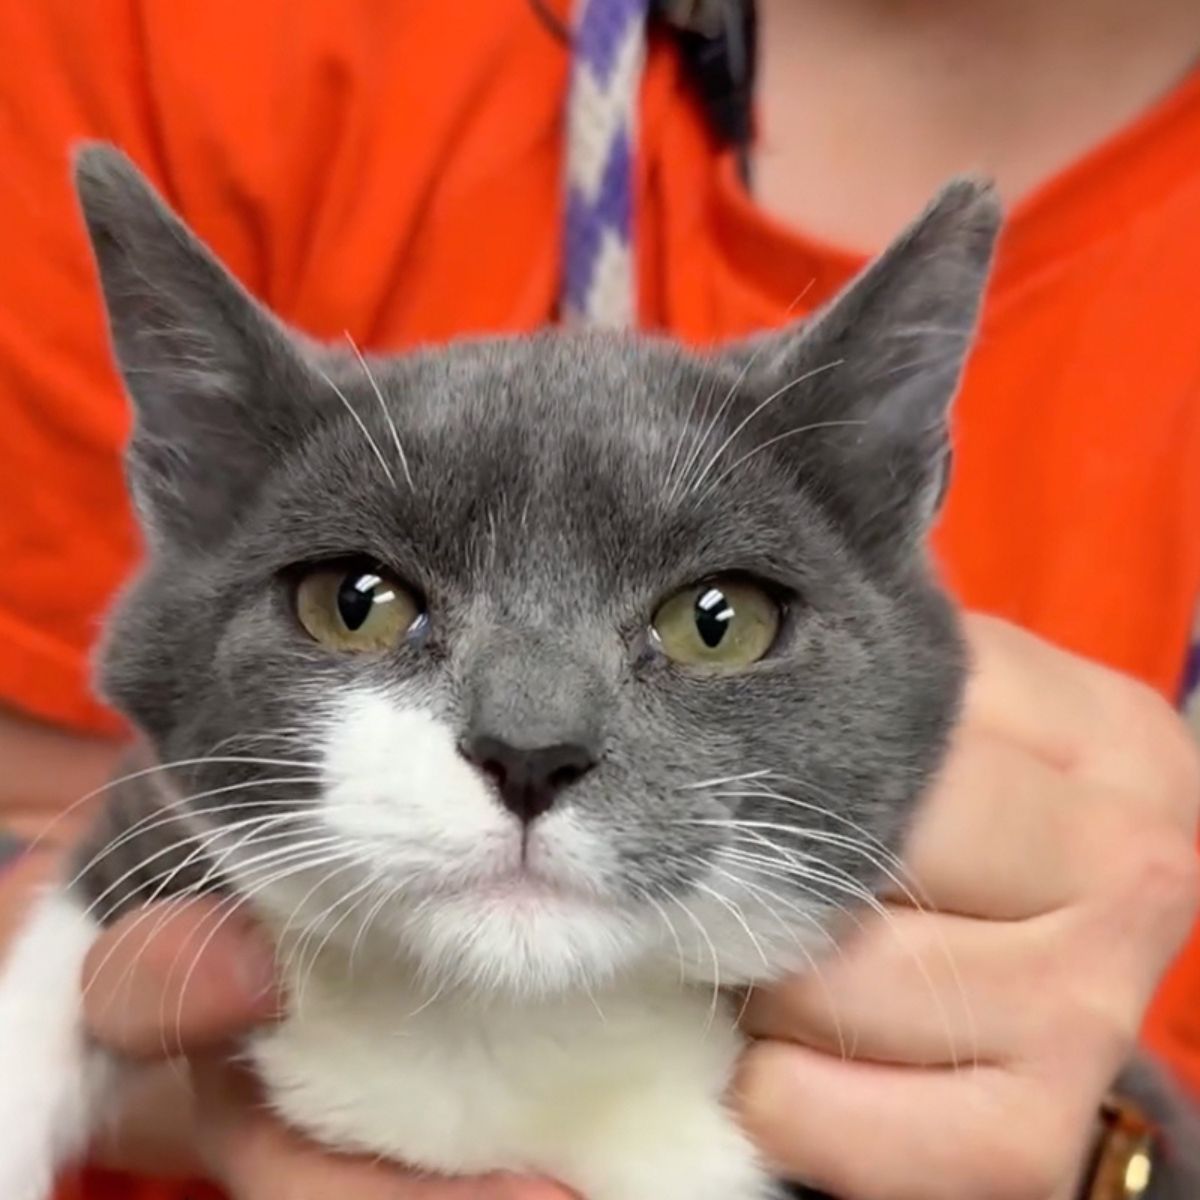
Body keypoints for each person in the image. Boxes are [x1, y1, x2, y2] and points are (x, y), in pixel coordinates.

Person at [0, 1, 1198, 1198]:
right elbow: (47, 830)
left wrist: (1121, 1168)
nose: (530, 738)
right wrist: (135, 1036)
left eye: (710, 622)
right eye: (359, 604)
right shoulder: (189, 37)